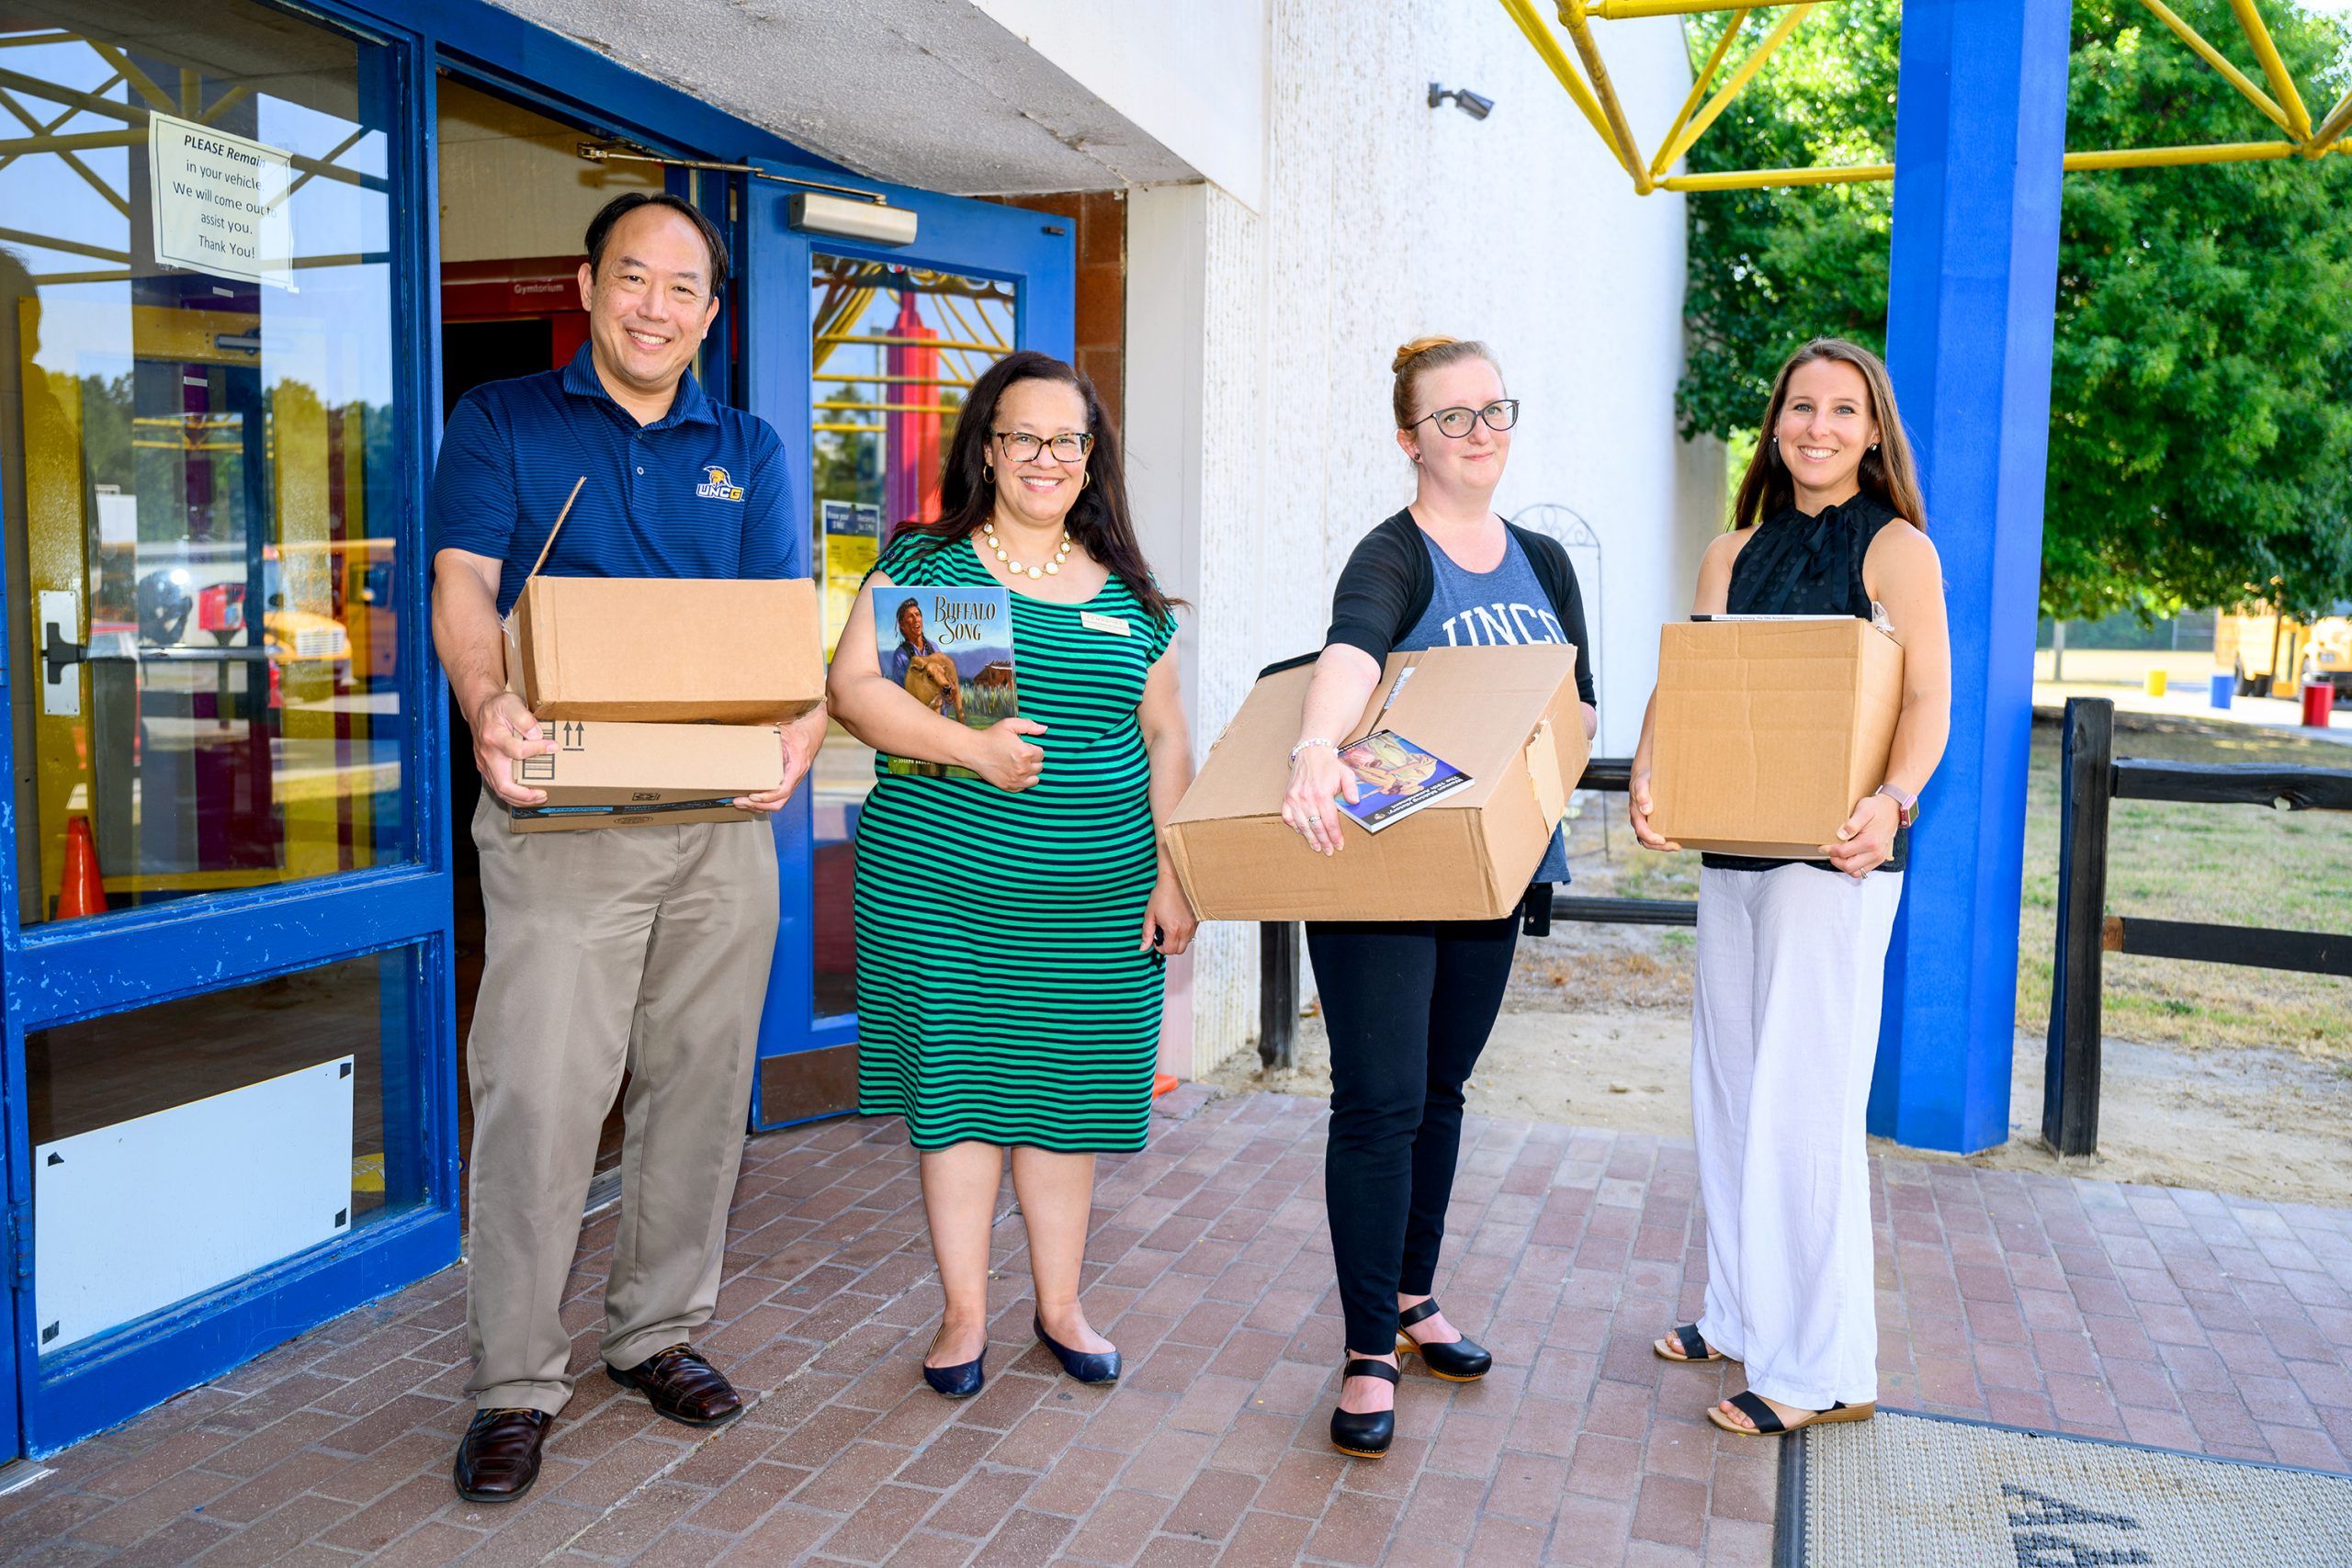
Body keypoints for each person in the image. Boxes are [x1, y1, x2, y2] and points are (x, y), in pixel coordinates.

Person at [429, 191, 826, 1502]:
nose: (656, 307)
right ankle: (512, 1379)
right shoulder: (503, 422)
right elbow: (463, 591)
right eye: (633, 278)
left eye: (684, 289)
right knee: (541, 1095)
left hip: (720, 822)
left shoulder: (752, 447)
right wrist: (489, 699)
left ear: (712, 312)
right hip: (564, 819)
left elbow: (780, 632)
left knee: (700, 1087)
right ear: (588, 282)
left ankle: (655, 1329)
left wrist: (802, 728)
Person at [827, 349, 1194, 1400]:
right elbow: (854, 689)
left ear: (1091, 459)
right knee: (958, 1103)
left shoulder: (1129, 593)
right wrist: (975, 750)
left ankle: (1062, 1305)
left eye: (1066, 440)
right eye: (1022, 436)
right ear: (987, 449)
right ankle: (962, 1315)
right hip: (945, 890)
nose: (1045, 457)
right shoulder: (932, 567)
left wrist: (1178, 877)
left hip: (1093, 903)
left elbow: (1167, 737)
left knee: (1065, 1104)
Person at [1281, 336, 1598, 1459]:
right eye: (1452, 417)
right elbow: (1352, 650)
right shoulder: (1393, 554)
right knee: (1379, 1102)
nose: (1479, 433)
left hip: (1493, 871)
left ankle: (1413, 1300)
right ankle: (1367, 1348)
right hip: (1382, 874)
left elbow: (1578, 708)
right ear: (1408, 437)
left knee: (1444, 1091)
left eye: (1493, 411)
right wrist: (1319, 745)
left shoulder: (1546, 562)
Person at [1629, 336, 1950, 1438]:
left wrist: (1892, 802)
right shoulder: (1730, 552)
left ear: (1873, 431)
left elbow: (1927, 705)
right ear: (1774, 425)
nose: (1817, 427)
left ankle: (1820, 1369)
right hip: (1736, 850)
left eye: (1842, 410)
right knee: (1727, 1086)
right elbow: (1689, 680)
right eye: (1799, 407)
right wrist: (1651, 771)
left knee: (1800, 1107)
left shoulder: (1898, 549)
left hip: (1837, 859)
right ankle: (1740, 1311)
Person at [889, 597, 963, 718]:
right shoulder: (901, 655)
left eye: (917, 615)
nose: (915, 619)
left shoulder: (933, 647)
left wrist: (951, 693)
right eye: (910, 616)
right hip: (917, 718)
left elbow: (945, 683)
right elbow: (900, 694)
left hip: (941, 717)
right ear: (902, 625)